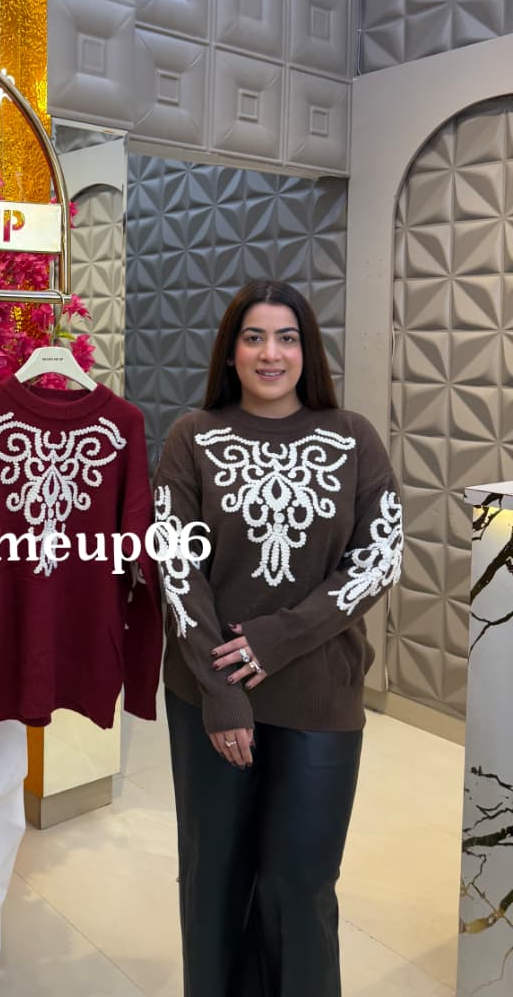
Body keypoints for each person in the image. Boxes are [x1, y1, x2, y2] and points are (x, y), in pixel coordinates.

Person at [153, 279, 403, 997]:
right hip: (209, 698)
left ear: (307, 351)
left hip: (320, 694)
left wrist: (277, 639)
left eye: (287, 338)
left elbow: (379, 557)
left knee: (302, 883)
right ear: (231, 352)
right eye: (255, 337)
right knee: (214, 882)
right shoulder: (192, 437)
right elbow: (177, 568)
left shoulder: (352, 436)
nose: (271, 353)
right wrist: (222, 691)